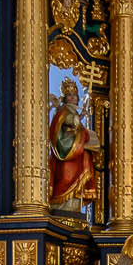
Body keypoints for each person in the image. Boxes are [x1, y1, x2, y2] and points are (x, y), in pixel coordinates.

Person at [48, 79, 100, 212]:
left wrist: (81, 129)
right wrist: (78, 124)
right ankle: (60, 207)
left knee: (77, 178)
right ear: (65, 98)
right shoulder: (63, 111)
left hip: (77, 154)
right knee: (66, 178)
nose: (73, 98)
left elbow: (77, 127)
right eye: (70, 95)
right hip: (66, 150)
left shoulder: (74, 111)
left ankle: (73, 208)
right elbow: (61, 127)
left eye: (75, 95)